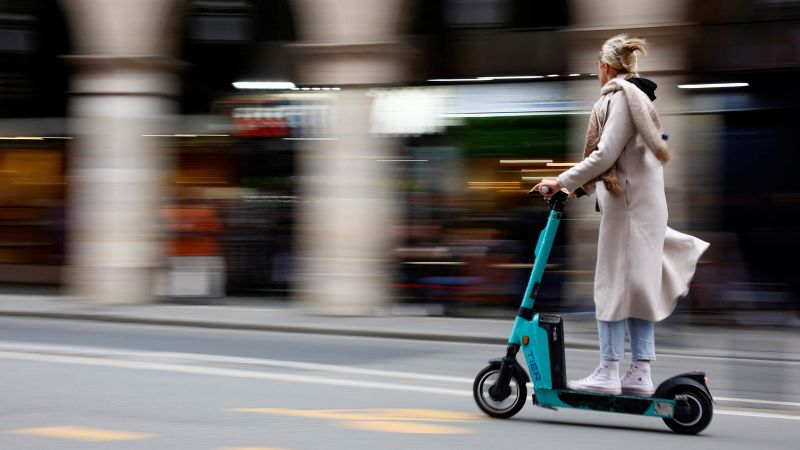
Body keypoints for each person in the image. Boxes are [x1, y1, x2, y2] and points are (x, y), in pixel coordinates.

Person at [532, 34, 709, 396]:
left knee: (610, 287)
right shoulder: (638, 97)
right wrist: (574, 188)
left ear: (604, 66)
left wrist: (560, 180)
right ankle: (639, 373)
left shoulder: (620, 98)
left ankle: (609, 370)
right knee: (637, 290)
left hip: (628, 209)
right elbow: (618, 160)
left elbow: (605, 155)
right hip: (640, 206)